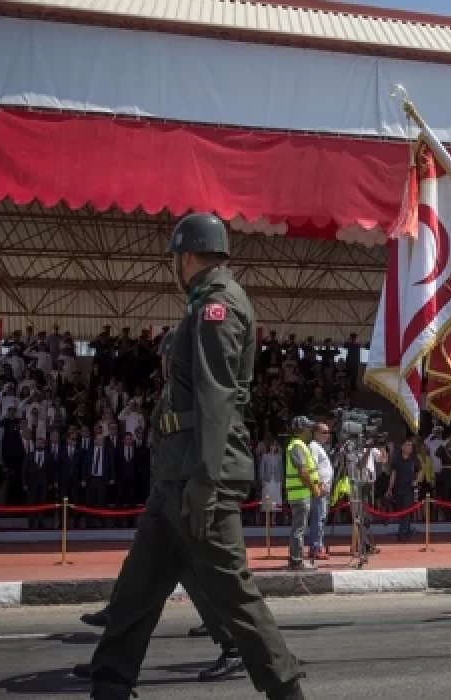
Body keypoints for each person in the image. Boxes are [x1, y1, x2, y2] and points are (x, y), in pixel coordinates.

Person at [87, 213, 304, 700]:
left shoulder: (219, 304)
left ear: (186, 256)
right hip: (175, 475)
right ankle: (109, 683)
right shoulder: (203, 302)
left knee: (234, 596)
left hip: (199, 476)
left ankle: (286, 689)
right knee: (135, 592)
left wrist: (205, 481)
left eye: (174, 258)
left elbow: (216, 396)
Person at [285, 416, 323, 571]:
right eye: (308, 428)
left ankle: (296, 559)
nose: (310, 431)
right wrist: (314, 488)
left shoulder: (300, 445)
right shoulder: (297, 446)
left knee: (299, 527)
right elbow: (303, 471)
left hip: (301, 493)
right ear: (301, 430)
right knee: (299, 528)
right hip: (300, 494)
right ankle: (296, 560)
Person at [307, 420, 334, 560]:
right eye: (324, 432)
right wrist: (319, 484)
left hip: (324, 488)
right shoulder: (314, 447)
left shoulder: (320, 447)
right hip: (320, 488)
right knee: (318, 518)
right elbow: (313, 467)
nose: (327, 435)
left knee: (321, 517)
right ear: (316, 433)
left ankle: (319, 545)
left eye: (328, 432)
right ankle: (316, 547)